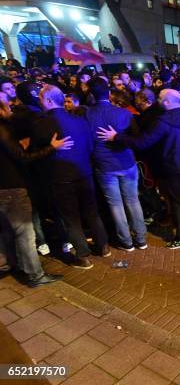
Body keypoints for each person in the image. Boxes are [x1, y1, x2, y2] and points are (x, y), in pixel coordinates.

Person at [97, 89, 180, 250]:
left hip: (174, 167)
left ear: (167, 102)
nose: (157, 101)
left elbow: (143, 142)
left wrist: (117, 136)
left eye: (159, 98)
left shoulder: (163, 121)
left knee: (177, 203)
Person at [30, 85, 109, 269]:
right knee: (91, 211)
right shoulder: (79, 120)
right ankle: (103, 246)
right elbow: (90, 146)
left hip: (60, 177)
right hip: (84, 172)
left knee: (71, 217)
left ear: (48, 101)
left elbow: (34, 154)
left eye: (41, 99)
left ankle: (83, 256)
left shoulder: (41, 124)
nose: (39, 102)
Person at [0, 91, 68, 287]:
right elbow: (22, 158)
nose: (11, 109)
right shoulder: (3, 129)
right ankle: (34, 274)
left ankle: (8, 264)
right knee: (25, 232)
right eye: (7, 106)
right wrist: (51, 148)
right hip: (11, 187)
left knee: (6, 230)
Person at [86, 78, 147, 252]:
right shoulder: (124, 114)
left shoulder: (87, 114)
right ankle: (141, 239)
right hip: (125, 161)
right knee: (132, 200)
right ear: (109, 93)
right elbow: (137, 138)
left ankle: (126, 241)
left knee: (115, 204)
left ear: (91, 94)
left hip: (104, 164)